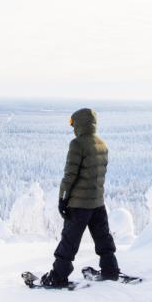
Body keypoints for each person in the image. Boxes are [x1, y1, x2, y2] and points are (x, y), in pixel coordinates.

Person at [40, 108, 120, 286]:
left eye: (72, 123)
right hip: (98, 202)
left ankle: (58, 276)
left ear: (79, 123)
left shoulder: (77, 144)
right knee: (103, 238)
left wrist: (62, 199)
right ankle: (110, 270)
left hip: (79, 205)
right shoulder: (103, 144)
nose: (72, 127)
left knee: (69, 241)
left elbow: (70, 176)